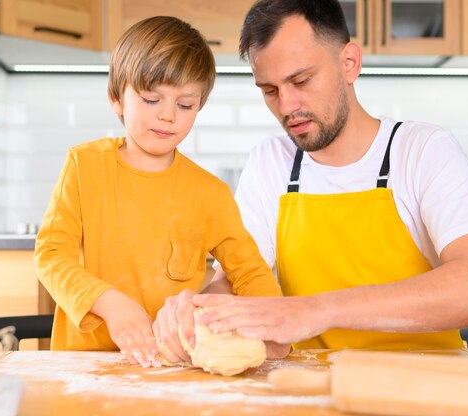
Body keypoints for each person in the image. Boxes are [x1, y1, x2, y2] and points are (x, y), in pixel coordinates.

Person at [190, 0, 468, 350]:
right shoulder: (270, 162)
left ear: (349, 63)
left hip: (423, 388)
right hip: (309, 390)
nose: (286, 106)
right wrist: (201, 309)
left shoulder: (423, 150)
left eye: (300, 80)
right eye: (269, 90)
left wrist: (319, 310)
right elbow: (235, 281)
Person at [34, 15, 289, 367]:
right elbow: (50, 255)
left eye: (185, 104)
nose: (168, 115)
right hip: (85, 364)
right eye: (152, 99)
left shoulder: (208, 193)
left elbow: (249, 271)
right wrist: (110, 302)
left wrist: (277, 328)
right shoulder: (85, 166)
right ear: (116, 99)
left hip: (171, 367)